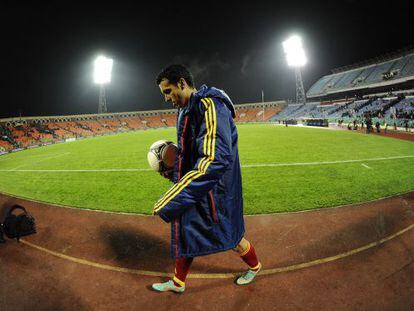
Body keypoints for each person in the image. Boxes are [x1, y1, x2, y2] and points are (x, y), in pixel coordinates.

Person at [151, 64, 261, 293]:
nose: (166, 98)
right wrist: (175, 171)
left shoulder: (211, 105)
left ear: (182, 83)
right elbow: (193, 153)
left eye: (168, 91)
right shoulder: (185, 109)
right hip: (200, 184)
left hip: (216, 189)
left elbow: (214, 160)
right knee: (187, 229)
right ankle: (178, 282)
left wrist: (171, 197)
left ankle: (255, 266)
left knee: (231, 236)